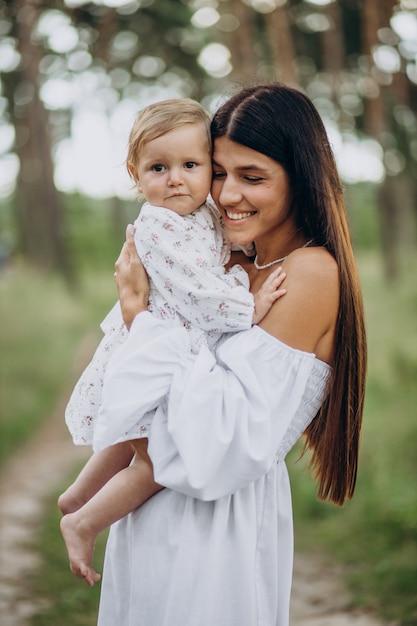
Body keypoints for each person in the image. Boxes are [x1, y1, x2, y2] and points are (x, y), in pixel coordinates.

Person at [93, 82, 367, 626]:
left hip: (214, 527)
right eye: (218, 172)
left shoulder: (309, 274)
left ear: (302, 177)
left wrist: (136, 317)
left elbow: (220, 439)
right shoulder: (234, 268)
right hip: (154, 510)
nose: (226, 194)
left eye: (253, 177)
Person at [58, 98, 286, 587]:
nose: (175, 179)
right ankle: (82, 521)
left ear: (210, 169)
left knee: (132, 438)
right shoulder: (157, 225)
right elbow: (197, 293)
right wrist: (252, 306)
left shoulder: (201, 213)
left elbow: (224, 248)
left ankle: (77, 495)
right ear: (135, 175)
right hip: (153, 352)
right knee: (158, 458)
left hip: (168, 349)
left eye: (190, 165)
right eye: (158, 168)